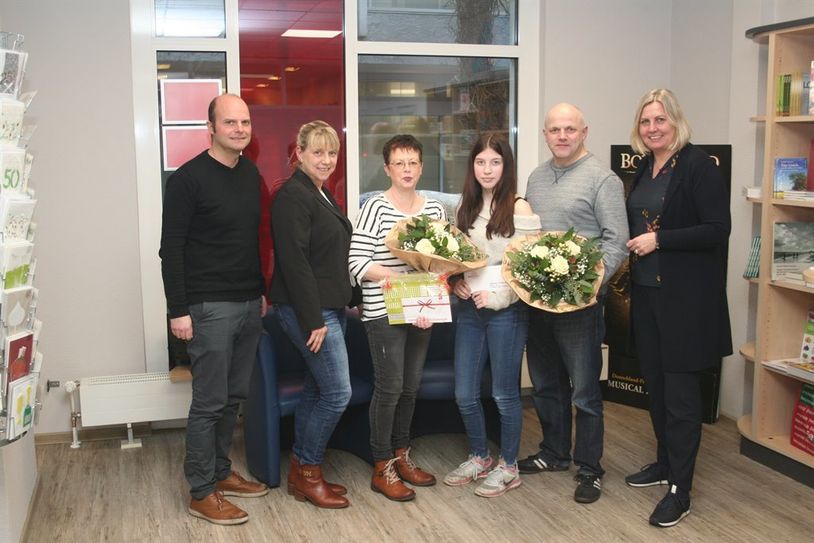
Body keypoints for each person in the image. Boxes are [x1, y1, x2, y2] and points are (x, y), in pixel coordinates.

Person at [624, 88, 731, 527]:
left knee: (682, 400)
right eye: (646, 121)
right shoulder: (646, 168)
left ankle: (680, 491)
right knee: (657, 389)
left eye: (660, 120)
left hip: (686, 304)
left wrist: (660, 239)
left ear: (676, 123)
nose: (653, 128)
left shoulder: (698, 166)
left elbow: (716, 230)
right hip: (648, 297)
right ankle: (665, 465)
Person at [159, 93, 268, 526]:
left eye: (245, 122)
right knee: (208, 401)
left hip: (246, 302)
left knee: (233, 397)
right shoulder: (187, 180)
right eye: (230, 122)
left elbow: (249, 242)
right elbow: (171, 251)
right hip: (207, 307)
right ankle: (201, 490)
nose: (239, 129)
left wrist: (259, 290)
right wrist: (178, 310)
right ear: (211, 127)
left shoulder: (250, 174)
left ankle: (221, 473)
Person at [521, 103, 629, 504]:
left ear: (584, 132)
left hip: (580, 306)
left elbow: (616, 242)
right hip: (538, 302)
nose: (561, 136)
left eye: (570, 129)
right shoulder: (536, 177)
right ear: (545, 134)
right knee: (546, 384)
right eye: (554, 129)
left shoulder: (603, 179)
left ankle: (590, 468)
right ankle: (553, 453)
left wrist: (586, 286)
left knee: (584, 390)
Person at [442, 134, 541, 497]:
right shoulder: (463, 208)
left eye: (495, 162)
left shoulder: (521, 209)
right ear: (472, 166)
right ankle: (480, 455)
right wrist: (456, 283)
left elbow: (529, 272)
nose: (487, 169)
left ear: (506, 166)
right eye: (481, 162)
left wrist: (497, 298)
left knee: (504, 395)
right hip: (469, 311)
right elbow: (454, 260)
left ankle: (509, 466)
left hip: (507, 315)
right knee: (464, 393)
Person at [348, 134, 444, 501]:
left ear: (421, 166)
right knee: (389, 389)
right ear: (387, 168)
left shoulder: (433, 209)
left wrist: (428, 298)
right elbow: (356, 263)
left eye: (413, 163)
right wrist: (401, 280)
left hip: (421, 310)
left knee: (410, 387)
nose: (407, 170)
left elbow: (440, 265)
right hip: (383, 310)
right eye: (399, 163)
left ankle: (402, 454)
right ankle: (381, 464)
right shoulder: (374, 207)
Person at [269, 120, 357, 509]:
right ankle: (309, 471)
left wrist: (350, 297)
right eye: (317, 152)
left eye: (332, 152)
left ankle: (301, 474)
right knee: (338, 393)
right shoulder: (292, 196)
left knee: (317, 389)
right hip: (307, 310)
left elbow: (329, 257)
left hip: (326, 305)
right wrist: (313, 320)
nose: (326, 160)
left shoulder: (321, 194)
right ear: (299, 154)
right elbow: (295, 264)